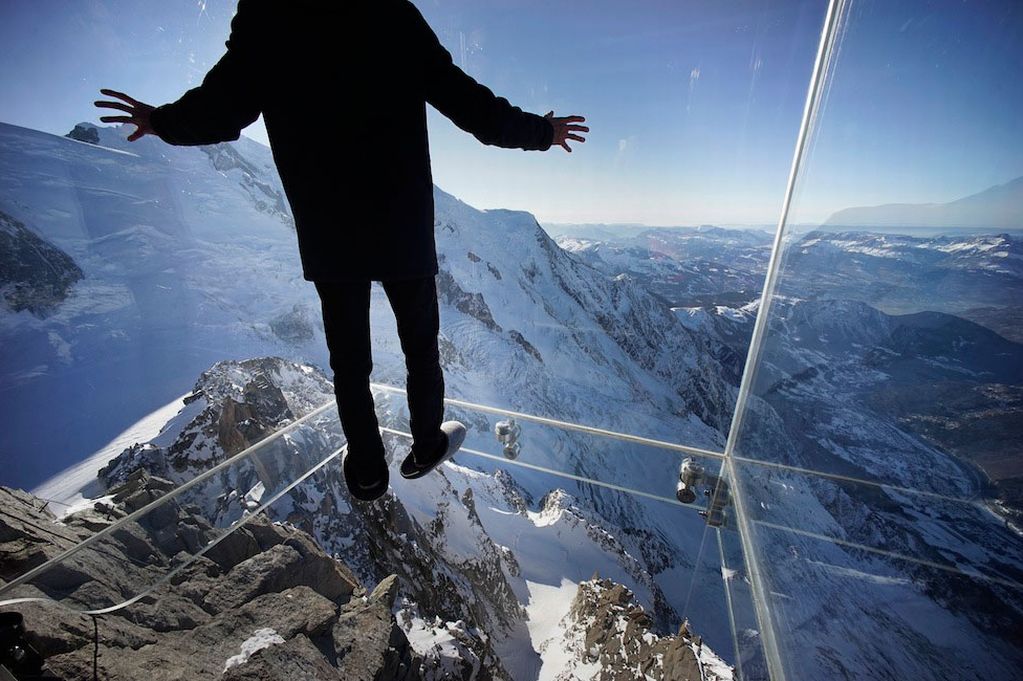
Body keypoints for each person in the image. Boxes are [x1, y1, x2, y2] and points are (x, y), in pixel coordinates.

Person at [95, 0, 588, 502]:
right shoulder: (392, 13)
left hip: (330, 226)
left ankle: (368, 469)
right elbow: (473, 109)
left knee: (350, 361)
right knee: (421, 344)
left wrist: (162, 121)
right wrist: (542, 133)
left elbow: (221, 109)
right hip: (402, 220)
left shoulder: (269, 16)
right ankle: (425, 442)